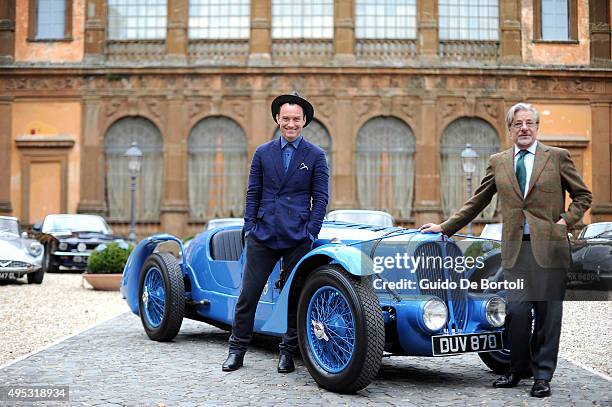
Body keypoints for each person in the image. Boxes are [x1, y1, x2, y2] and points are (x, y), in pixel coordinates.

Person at [420, 103, 591, 398]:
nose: (524, 128)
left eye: (529, 123)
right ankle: (518, 368)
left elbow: (583, 196)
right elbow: (478, 201)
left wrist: (564, 222)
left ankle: (542, 376)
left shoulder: (557, 158)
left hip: (549, 250)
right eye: (517, 124)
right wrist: (445, 227)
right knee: (517, 313)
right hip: (514, 252)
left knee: (548, 315)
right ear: (510, 130)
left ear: (537, 127)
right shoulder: (498, 162)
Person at [222, 92, 329, 373]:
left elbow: (321, 199)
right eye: (286, 119)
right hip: (263, 234)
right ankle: (236, 350)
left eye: (296, 119)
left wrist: (310, 233)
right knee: (249, 295)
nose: (291, 124)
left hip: (298, 237)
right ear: (277, 120)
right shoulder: (262, 153)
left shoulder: (316, 156)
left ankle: (288, 353)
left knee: (293, 297)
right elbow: (253, 193)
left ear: (304, 120)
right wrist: (250, 228)